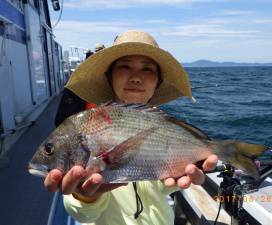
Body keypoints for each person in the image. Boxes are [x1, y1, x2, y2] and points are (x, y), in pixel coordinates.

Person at [44, 30, 218, 225]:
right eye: (125, 67)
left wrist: (176, 174)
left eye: (147, 70)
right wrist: (85, 198)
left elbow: (162, 187)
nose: (136, 77)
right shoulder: (88, 125)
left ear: (157, 82)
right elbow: (85, 216)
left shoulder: (163, 126)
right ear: (109, 77)